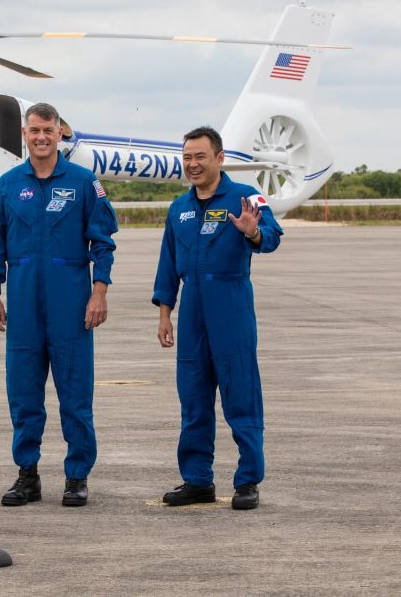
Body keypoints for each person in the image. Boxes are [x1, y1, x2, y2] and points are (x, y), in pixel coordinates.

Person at [0, 102, 118, 507]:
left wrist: (99, 291)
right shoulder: (7, 186)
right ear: (25, 134)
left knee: (75, 393)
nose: (41, 137)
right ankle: (27, 474)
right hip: (22, 304)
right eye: (34, 130)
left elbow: (103, 242)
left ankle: (77, 476)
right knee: (23, 395)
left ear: (60, 133)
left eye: (48, 130)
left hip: (70, 303)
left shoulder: (82, 182)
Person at [153, 126, 283, 511]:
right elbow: (167, 266)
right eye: (187, 157)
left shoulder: (245, 197)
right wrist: (165, 314)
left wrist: (253, 231)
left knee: (241, 395)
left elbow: (274, 235)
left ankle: (247, 481)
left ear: (219, 158)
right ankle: (197, 480)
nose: (193, 164)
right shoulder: (178, 209)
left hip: (230, 304)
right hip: (192, 307)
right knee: (193, 397)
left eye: (200, 157)